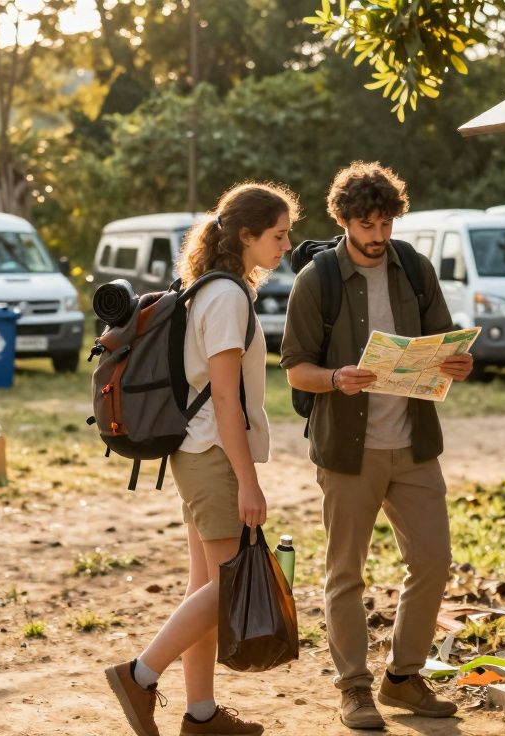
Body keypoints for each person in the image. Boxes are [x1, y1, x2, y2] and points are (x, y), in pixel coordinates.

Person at [280, 162, 473, 730]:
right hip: (347, 449)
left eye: (386, 223)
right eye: (367, 224)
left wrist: (458, 363)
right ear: (343, 220)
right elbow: (295, 369)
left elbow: (445, 344)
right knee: (346, 572)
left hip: (414, 443)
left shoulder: (414, 268)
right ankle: (354, 689)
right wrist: (336, 378)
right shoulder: (316, 280)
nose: (379, 235)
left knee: (433, 560)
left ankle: (404, 678)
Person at [105, 183, 299, 736]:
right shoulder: (227, 297)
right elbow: (225, 399)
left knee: (206, 587)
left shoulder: (210, 288)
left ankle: (201, 714)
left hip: (196, 451)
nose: (286, 245)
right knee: (231, 585)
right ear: (246, 236)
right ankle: (139, 676)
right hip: (213, 454)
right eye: (278, 235)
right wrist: (248, 482)